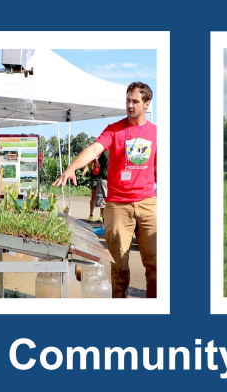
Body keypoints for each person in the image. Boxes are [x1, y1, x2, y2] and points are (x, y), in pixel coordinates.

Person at [53, 82, 157, 298]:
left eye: (135, 101)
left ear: (147, 104)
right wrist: (72, 167)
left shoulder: (156, 134)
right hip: (118, 205)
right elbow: (94, 149)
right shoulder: (114, 130)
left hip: (148, 203)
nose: (129, 105)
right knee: (119, 266)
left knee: (156, 265)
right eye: (127, 100)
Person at [87, 151, 108, 222]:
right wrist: (84, 171)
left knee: (102, 196)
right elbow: (89, 163)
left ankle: (101, 216)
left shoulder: (105, 153)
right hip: (95, 177)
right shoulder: (95, 154)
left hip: (103, 177)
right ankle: (91, 215)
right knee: (94, 196)